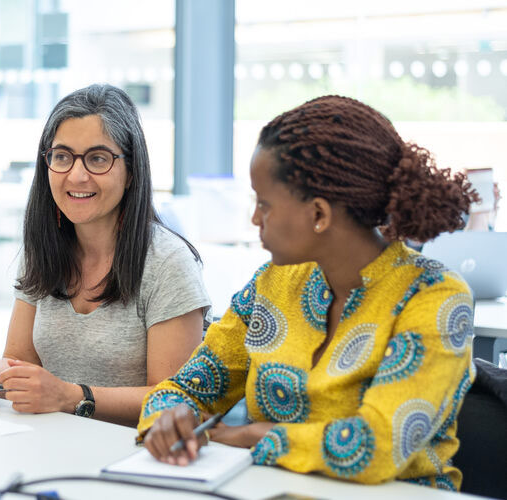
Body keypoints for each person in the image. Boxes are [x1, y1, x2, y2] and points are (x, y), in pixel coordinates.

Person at [139, 95, 478, 490]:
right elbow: (186, 388)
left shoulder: (434, 297)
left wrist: (253, 439)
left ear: (319, 214)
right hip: (266, 489)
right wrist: (169, 418)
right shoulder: (273, 283)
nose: (254, 219)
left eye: (264, 204)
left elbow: (376, 446)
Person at [0, 84, 211, 427]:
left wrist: (71, 396)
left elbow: (177, 400)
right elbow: (18, 361)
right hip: (53, 445)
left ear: (131, 171)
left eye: (98, 159)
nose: (76, 175)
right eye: (62, 156)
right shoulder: (44, 249)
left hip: (137, 456)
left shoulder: (168, 263)